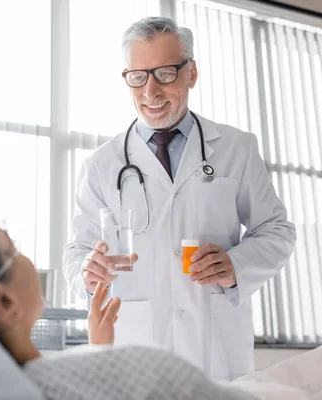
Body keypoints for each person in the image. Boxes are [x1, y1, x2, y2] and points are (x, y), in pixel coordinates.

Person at [62, 16, 296, 381]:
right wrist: (86, 273)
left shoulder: (237, 148)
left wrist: (237, 265)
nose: (150, 92)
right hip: (135, 350)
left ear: (192, 73)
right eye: (138, 77)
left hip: (216, 346)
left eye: (166, 73)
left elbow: (277, 230)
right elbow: (76, 252)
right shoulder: (102, 164)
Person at [0, 199, 256, 400]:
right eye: (14, 249)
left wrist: (99, 349)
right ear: (5, 303)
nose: (28, 261)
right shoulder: (145, 373)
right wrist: (107, 363)